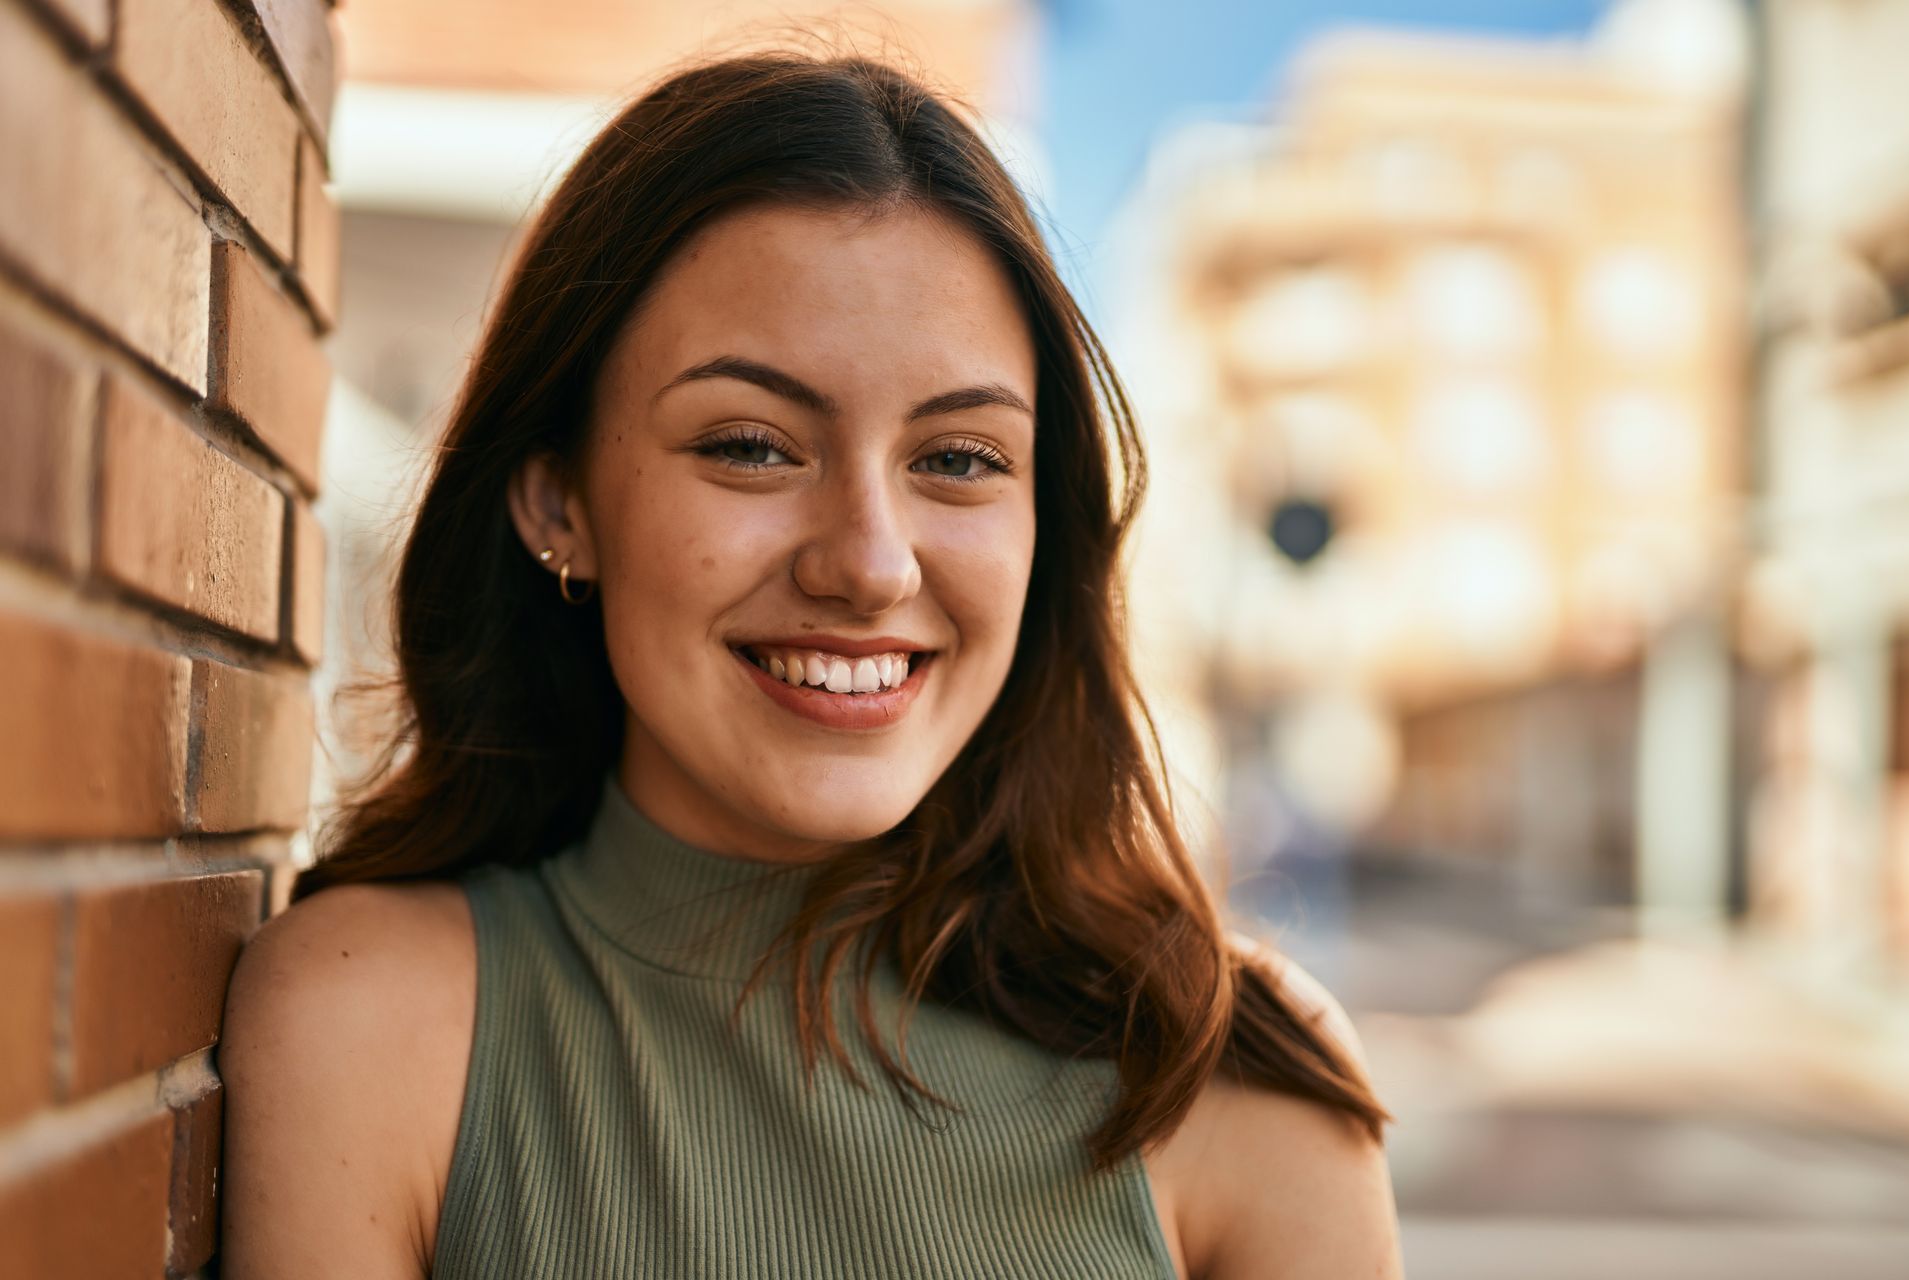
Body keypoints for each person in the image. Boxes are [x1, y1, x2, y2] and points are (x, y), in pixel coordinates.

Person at [217, 46, 1403, 1279]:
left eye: (959, 458)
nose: (872, 562)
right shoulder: (365, 1024)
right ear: (558, 497)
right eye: (752, 444)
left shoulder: (1236, 1078)